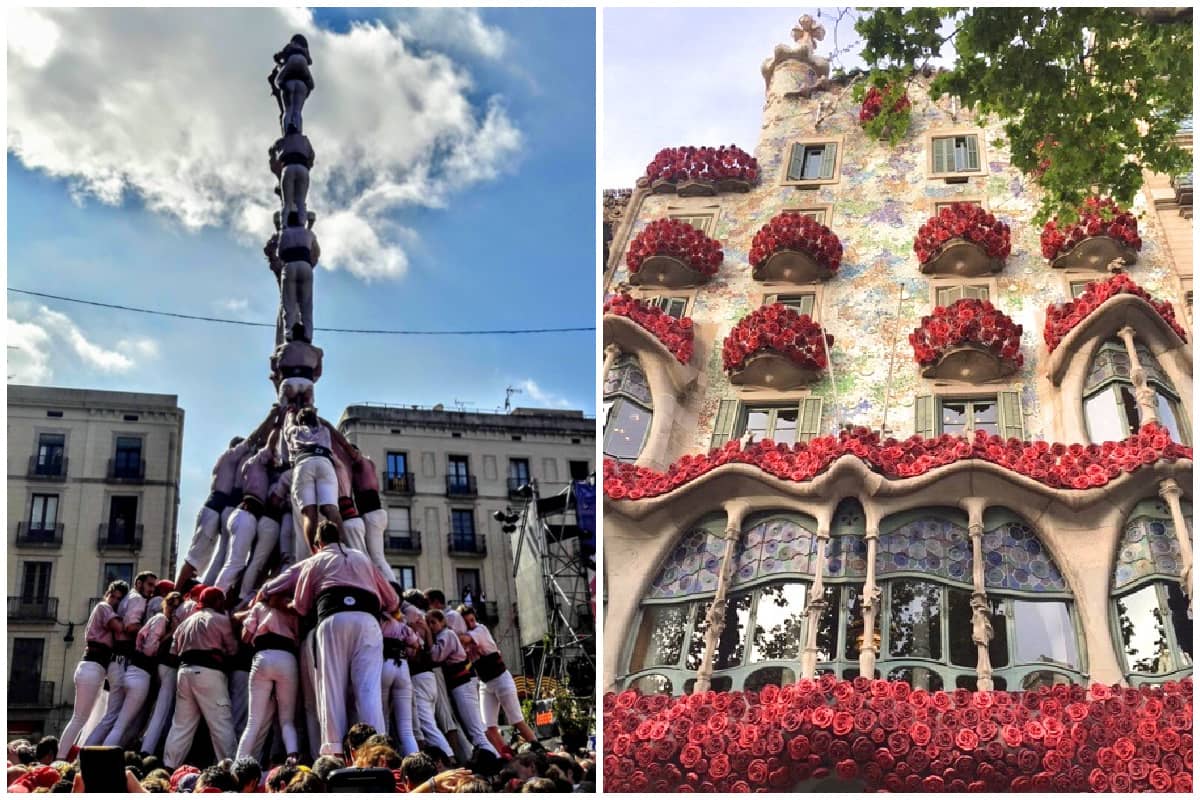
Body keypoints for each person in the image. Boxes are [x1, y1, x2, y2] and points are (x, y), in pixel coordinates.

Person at [290, 521, 399, 756]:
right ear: (339, 537)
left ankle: (335, 754)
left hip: (333, 620)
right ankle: (379, 751)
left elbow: (300, 606)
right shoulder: (361, 557)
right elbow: (391, 600)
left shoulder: (316, 560)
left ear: (318, 544)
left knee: (331, 689)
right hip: (368, 621)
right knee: (369, 690)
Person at [177, 409, 278, 586]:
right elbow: (256, 439)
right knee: (196, 557)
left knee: (221, 556)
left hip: (222, 508)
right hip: (217, 506)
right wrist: (272, 417)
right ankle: (177, 590)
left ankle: (208, 588)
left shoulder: (233, 463)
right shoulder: (231, 455)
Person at [163, 587, 238, 769]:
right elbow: (233, 650)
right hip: (209, 672)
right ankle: (231, 770)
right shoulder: (220, 619)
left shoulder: (185, 623)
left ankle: (168, 767)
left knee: (181, 725)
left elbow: (173, 653)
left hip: (184, 672)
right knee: (221, 722)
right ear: (217, 601)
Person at [57, 582, 128, 758]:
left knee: (81, 718)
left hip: (94, 668)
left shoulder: (106, 609)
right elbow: (120, 628)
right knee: (79, 718)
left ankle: (63, 757)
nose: (115, 601)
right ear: (107, 594)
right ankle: (59, 758)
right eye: (113, 596)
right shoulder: (104, 607)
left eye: (119, 599)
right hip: (92, 666)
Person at [89, 571, 157, 747]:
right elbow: (130, 626)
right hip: (122, 662)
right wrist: (150, 629)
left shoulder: (128, 598)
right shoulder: (137, 599)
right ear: (139, 583)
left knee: (110, 718)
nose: (151, 590)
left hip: (115, 662)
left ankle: (84, 756)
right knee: (117, 721)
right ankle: (95, 757)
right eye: (149, 585)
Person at [460, 605, 541, 753]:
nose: (471, 624)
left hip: (501, 679)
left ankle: (539, 749)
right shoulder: (466, 634)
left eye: (472, 620)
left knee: (517, 721)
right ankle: (507, 755)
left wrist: (451, 630)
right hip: (485, 683)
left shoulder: (480, 629)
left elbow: (464, 639)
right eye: (466, 622)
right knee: (488, 727)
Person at [215, 428, 281, 601]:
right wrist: (278, 425)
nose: (274, 458)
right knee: (236, 562)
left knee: (242, 562)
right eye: (272, 454)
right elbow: (270, 444)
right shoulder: (256, 462)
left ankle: (232, 596)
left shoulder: (264, 470)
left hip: (247, 516)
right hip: (245, 515)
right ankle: (215, 597)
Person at [235, 594, 302, 763]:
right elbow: (298, 638)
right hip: (287, 658)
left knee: (253, 721)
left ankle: (238, 765)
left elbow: (245, 637)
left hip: (262, 657)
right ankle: (292, 760)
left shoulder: (259, 607)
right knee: (287, 720)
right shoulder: (290, 608)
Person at [324, 428, 394, 582]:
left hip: (371, 514)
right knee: (372, 556)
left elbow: (344, 446)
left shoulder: (362, 462)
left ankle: (393, 588)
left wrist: (328, 429)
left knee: (376, 558)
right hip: (374, 513)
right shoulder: (367, 466)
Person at [426, 609, 497, 758]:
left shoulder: (447, 635)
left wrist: (428, 637)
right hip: (459, 685)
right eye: (428, 623)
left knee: (476, 732)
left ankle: (494, 761)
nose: (431, 626)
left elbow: (435, 656)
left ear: (442, 622)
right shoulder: (443, 635)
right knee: (473, 732)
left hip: (463, 684)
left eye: (433, 622)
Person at [283, 406, 341, 552]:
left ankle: (314, 551)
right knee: (331, 509)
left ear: (300, 421)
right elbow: (324, 423)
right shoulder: (324, 431)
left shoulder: (294, 431)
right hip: (325, 462)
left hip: (303, 463)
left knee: (309, 513)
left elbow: (288, 424)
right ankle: (341, 547)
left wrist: (290, 412)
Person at [138, 592, 185, 757]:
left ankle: (147, 745)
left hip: (162, 667)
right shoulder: (164, 621)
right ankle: (147, 749)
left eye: (177, 604)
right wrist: (171, 634)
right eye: (171, 603)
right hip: (167, 666)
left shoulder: (163, 619)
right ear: (165, 603)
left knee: (160, 710)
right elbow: (153, 647)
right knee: (162, 710)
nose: (173, 607)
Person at [380, 612, 421, 755]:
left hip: (383, 664)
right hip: (402, 666)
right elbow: (416, 645)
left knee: (383, 721)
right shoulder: (401, 624)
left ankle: (387, 764)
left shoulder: (376, 620)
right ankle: (416, 764)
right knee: (406, 729)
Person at [277, 215, 320, 344]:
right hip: (305, 265)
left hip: (290, 265)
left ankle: (289, 333)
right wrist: (310, 264)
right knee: (306, 304)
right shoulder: (309, 232)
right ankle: (308, 335)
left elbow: (281, 253)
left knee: (289, 303)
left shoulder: (284, 233)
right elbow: (316, 251)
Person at [270, 132, 315, 228]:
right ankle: (294, 226)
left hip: (292, 211)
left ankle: (284, 226)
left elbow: (273, 162)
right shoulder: (297, 169)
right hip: (296, 212)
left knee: (289, 207)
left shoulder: (282, 171)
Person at [272, 34, 314, 135]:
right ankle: (298, 133)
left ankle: (287, 134)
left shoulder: (290, 46)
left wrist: (280, 63)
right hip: (303, 71)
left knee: (277, 81)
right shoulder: (305, 51)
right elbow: (310, 62)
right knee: (298, 111)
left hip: (291, 64)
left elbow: (276, 56)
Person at [271, 340, 323, 410]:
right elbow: (318, 373)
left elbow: (274, 368)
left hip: (288, 383)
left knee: (282, 409)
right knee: (310, 410)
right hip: (307, 383)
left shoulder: (280, 348)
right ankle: (309, 408)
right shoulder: (316, 350)